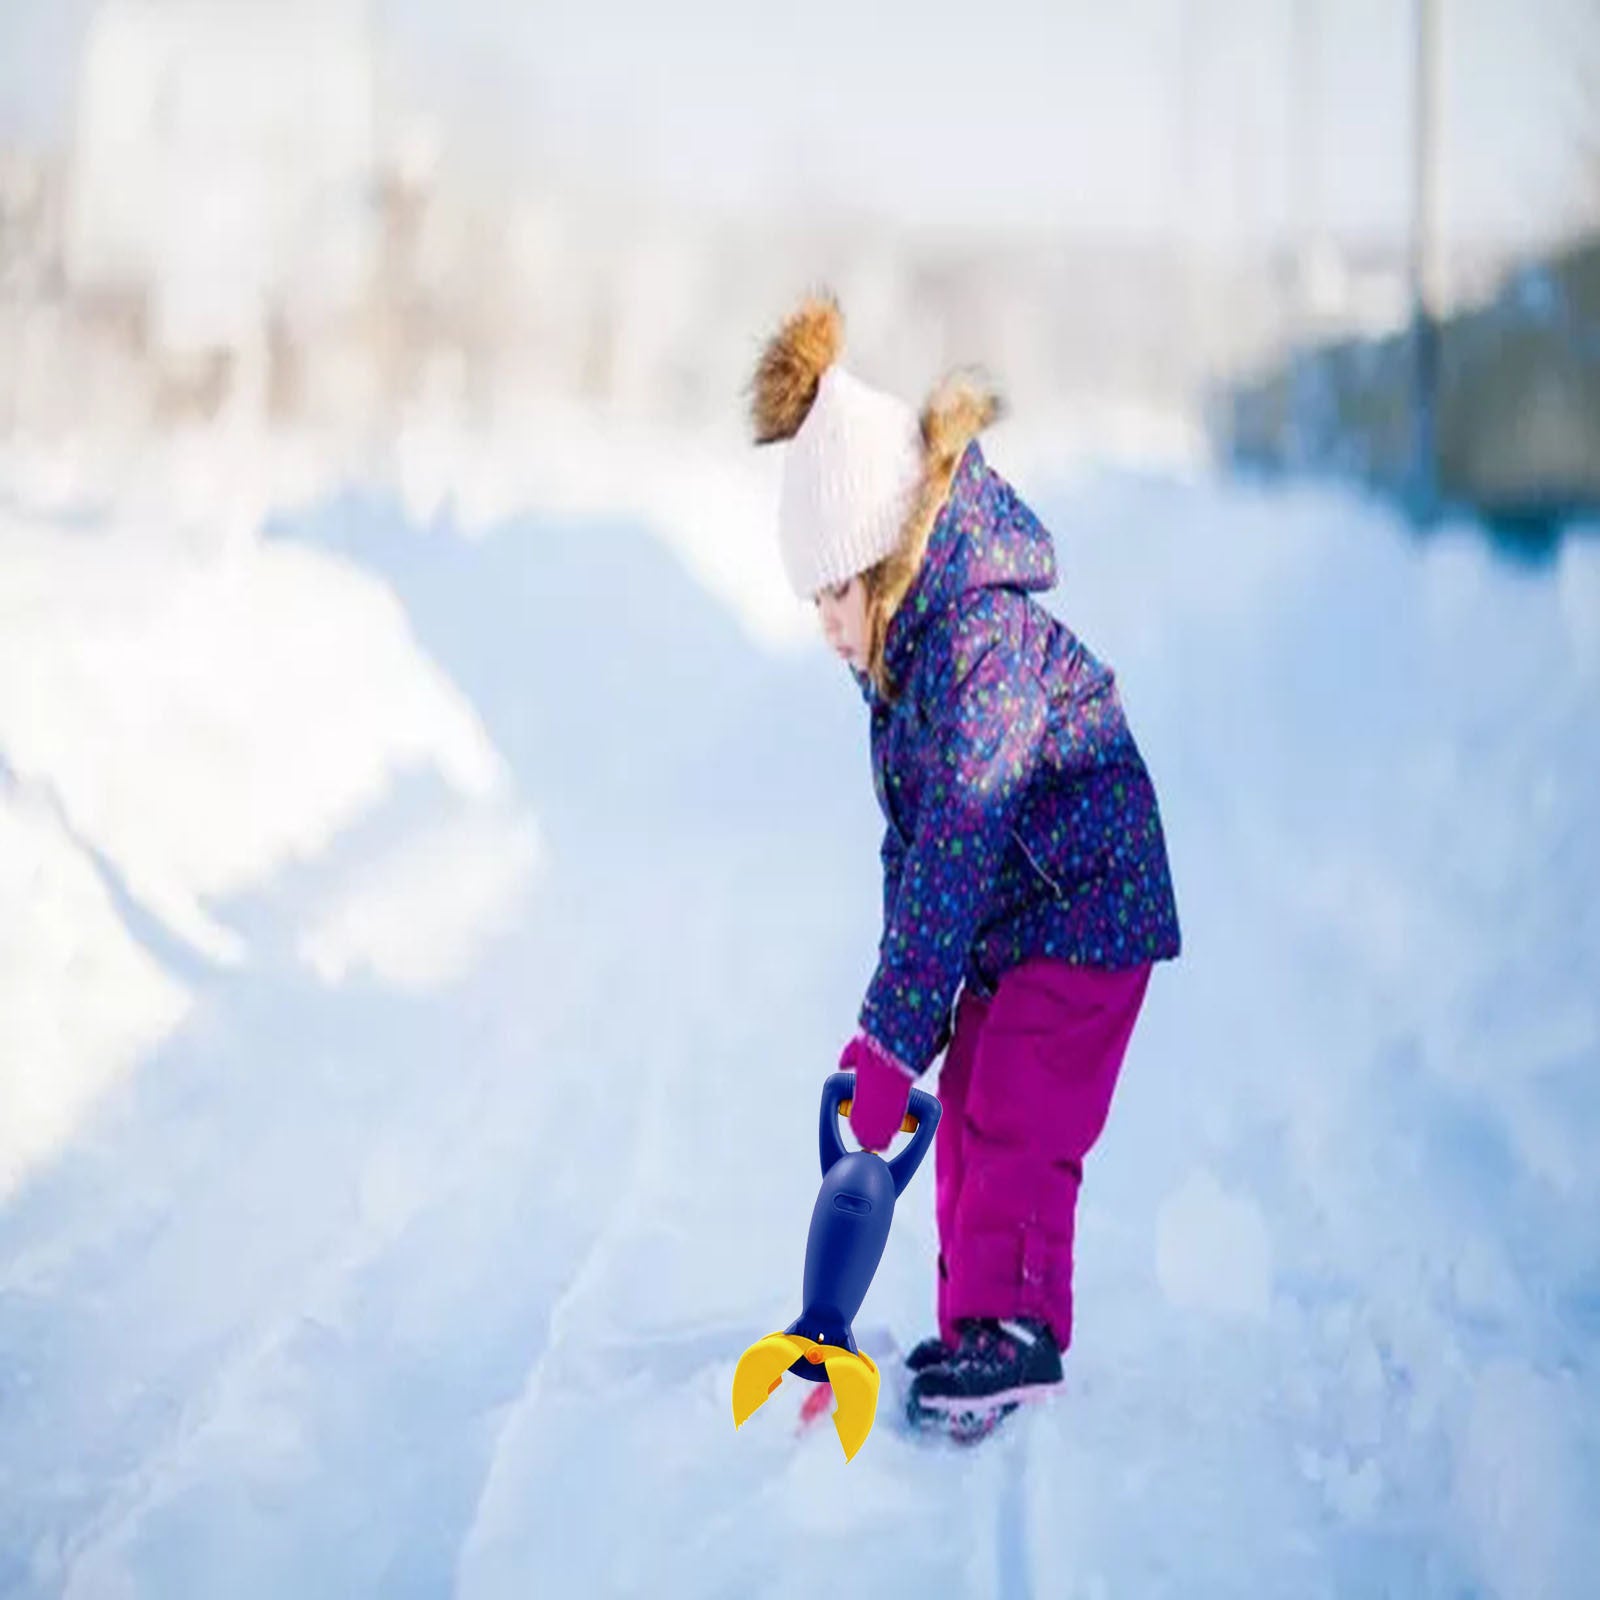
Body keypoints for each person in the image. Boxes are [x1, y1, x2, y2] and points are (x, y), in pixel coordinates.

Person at [749, 292, 1182, 1430]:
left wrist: (894, 1034)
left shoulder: (978, 650)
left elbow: (955, 844)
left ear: (882, 566)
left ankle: (1017, 1328)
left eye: (832, 593)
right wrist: (906, 1024)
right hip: (1020, 913)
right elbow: (915, 856)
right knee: (971, 1100)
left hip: (1085, 905)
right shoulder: (907, 665)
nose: (826, 627)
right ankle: (977, 1320)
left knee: (1015, 1110)